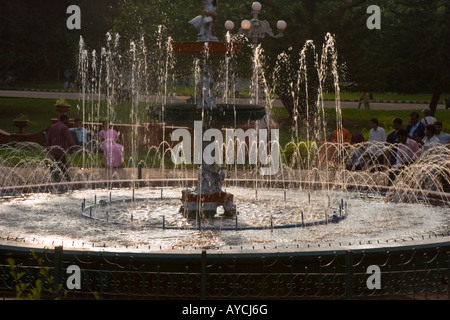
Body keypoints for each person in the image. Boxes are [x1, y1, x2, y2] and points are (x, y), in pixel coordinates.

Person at [46, 113, 74, 182]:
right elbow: (69, 139)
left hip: (53, 150)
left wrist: (48, 149)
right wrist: (74, 148)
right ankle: (68, 181)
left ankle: (56, 180)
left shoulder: (52, 126)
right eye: (67, 120)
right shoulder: (64, 127)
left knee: (55, 165)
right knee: (63, 166)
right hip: (60, 151)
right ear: (65, 120)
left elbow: (48, 138)